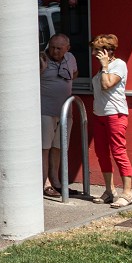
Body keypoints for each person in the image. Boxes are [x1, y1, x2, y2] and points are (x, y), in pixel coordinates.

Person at [90, 34, 132, 208]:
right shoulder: (102, 68)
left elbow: (107, 85)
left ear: (107, 51)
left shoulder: (119, 65)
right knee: (101, 153)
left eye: (96, 49)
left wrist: (104, 67)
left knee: (118, 151)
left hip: (115, 114)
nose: (93, 53)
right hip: (99, 114)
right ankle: (109, 191)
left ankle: (128, 193)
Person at [39, 34, 77, 198]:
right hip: (45, 110)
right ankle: (44, 183)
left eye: (59, 48)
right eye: (52, 47)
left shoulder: (70, 58)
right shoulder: (41, 58)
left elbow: (75, 73)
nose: (54, 51)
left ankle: (56, 181)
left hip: (64, 111)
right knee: (44, 148)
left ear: (67, 49)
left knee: (59, 147)